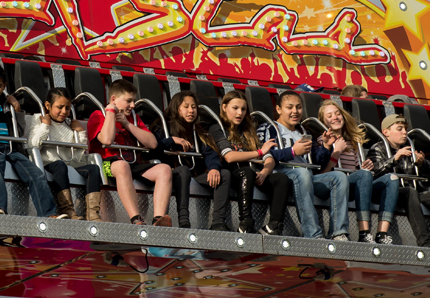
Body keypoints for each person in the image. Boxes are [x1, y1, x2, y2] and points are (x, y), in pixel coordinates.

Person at [0, 65, 62, 218]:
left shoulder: (7, 103)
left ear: (4, 86)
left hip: (11, 148)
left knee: (36, 174)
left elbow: (19, 131)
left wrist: (17, 108)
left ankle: (48, 213)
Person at [258, 91, 349, 240]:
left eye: (299, 107)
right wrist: (293, 151)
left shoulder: (304, 131)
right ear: (279, 109)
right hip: (282, 175)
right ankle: (312, 233)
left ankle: (338, 232)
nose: (295, 111)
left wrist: (325, 147)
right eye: (290, 107)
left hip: (307, 176)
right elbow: (266, 155)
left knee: (339, 177)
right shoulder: (268, 128)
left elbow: (316, 163)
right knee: (302, 173)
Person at [367, 114, 430, 249]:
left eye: (405, 129)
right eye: (399, 129)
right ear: (386, 132)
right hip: (389, 193)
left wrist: (422, 164)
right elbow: (373, 173)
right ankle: (425, 242)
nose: (404, 132)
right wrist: (395, 158)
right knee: (410, 192)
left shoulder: (411, 148)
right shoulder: (377, 148)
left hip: (414, 193)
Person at [86, 79, 173, 226]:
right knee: (122, 166)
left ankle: (158, 219)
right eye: (129, 101)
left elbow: (152, 143)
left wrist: (127, 124)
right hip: (108, 163)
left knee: (164, 169)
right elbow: (107, 139)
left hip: (132, 163)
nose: (133, 105)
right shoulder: (98, 115)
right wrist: (111, 113)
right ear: (113, 99)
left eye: (134, 101)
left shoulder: (133, 118)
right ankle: (135, 218)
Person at [316, 99, 400, 244]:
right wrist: (336, 152)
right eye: (329, 116)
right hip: (337, 186)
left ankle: (382, 234)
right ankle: (364, 232)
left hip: (354, 184)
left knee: (391, 178)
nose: (335, 117)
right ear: (323, 122)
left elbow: (357, 171)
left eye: (337, 114)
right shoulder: (322, 141)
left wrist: (365, 167)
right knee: (363, 174)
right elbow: (322, 173)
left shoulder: (353, 141)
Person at [209, 91, 291, 234]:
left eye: (243, 109)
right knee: (247, 172)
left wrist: (265, 172)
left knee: (281, 178)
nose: (239, 113)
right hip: (232, 174)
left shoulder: (249, 131)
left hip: (253, 176)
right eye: (235, 108)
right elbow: (229, 157)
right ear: (224, 107)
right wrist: (259, 153)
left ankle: (274, 225)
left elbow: (269, 157)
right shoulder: (218, 128)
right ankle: (245, 222)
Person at [150, 90, 232, 230]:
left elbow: (210, 152)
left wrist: (213, 168)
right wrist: (171, 140)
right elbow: (153, 148)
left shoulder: (198, 130)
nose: (191, 111)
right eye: (186, 106)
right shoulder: (163, 125)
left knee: (224, 174)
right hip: (172, 173)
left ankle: (218, 222)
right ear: (176, 108)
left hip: (196, 174)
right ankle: (184, 221)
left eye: (194, 107)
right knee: (183, 171)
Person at [29, 88, 104, 221]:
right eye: (60, 107)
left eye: (67, 108)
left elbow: (78, 157)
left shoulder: (70, 125)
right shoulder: (38, 119)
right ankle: (67, 209)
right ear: (48, 106)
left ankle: (92, 213)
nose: (64, 111)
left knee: (94, 169)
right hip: (49, 164)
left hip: (68, 165)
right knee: (60, 165)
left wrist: (80, 132)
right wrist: (45, 126)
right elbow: (33, 144)